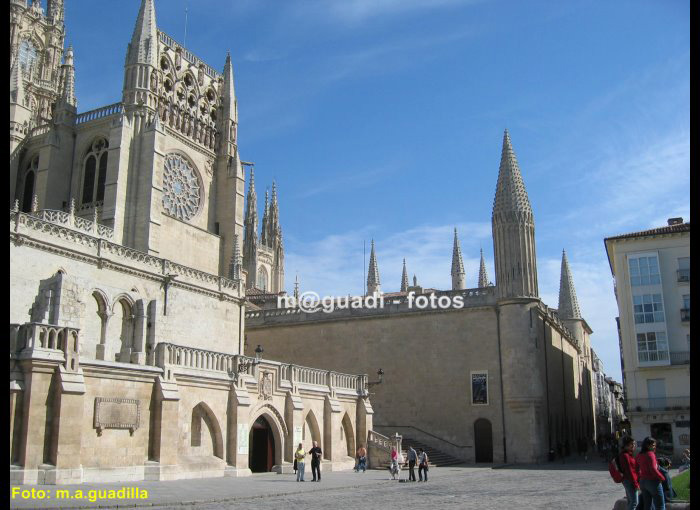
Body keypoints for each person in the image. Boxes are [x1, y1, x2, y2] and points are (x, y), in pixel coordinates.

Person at [637, 437, 666, 510]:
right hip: (652, 481)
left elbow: (637, 468)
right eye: (653, 445)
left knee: (647, 505)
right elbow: (653, 469)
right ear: (647, 445)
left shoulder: (639, 455)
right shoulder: (650, 454)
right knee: (660, 506)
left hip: (643, 481)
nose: (654, 447)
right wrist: (662, 477)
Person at [618, 436, 639, 510]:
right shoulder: (625, 456)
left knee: (630, 501)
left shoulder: (627, 454)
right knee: (634, 502)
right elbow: (629, 471)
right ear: (626, 445)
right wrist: (635, 483)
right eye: (632, 444)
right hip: (629, 480)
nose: (633, 445)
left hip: (627, 480)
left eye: (634, 444)